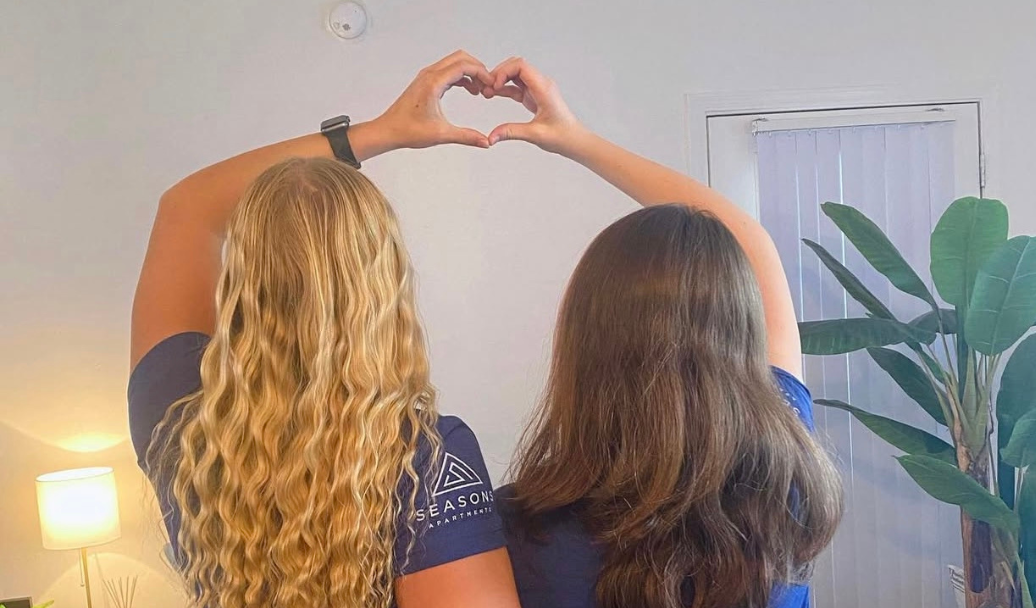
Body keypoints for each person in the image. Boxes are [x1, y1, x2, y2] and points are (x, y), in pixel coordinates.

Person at [127, 51, 521, 608]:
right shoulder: (425, 457)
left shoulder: (175, 406)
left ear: (243, 276)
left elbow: (185, 206)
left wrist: (378, 133)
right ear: (384, 283)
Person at [484, 58, 844, 608]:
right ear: (737, 329)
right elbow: (748, 239)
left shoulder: (515, 531)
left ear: (584, 343)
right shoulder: (782, 480)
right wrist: (577, 140)